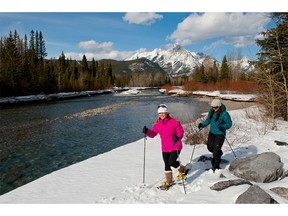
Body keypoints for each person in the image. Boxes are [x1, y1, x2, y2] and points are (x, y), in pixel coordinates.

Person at [143, 104, 186, 189]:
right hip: (165, 147)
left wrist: (177, 137)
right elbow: (153, 134)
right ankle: (169, 181)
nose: (162, 114)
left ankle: (182, 169)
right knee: (167, 164)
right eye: (160, 113)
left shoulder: (174, 122)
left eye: (163, 112)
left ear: (166, 112)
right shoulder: (158, 124)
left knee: (171, 162)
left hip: (175, 145)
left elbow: (181, 132)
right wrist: (147, 131)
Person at [198, 98, 232, 171]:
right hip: (212, 133)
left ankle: (216, 167)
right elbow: (208, 120)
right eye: (212, 107)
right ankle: (219, 153)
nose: (214, 108)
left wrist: (222, 126)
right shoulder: (212, 111)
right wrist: (202, 125)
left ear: (219, 106)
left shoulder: (224, 113)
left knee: (215, 152)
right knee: (210, 147)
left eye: (215, 107)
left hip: (220, 134)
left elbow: (229, 124)